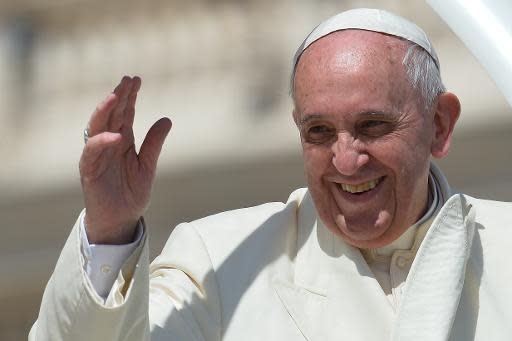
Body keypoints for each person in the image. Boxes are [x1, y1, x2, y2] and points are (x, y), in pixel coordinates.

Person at [30, 8, 512, 341]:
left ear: (440, 126)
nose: (347, 161)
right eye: (319, 132)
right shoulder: (220, 264)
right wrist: (110, 229)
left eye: (372, 126)